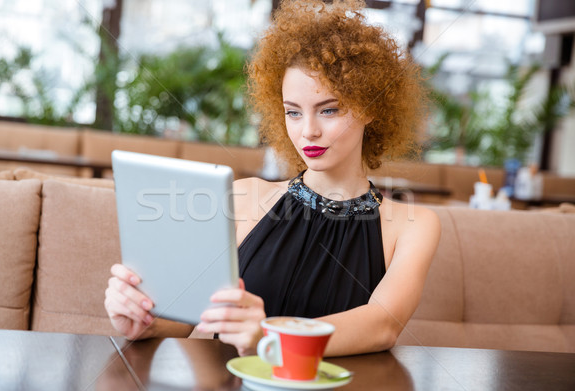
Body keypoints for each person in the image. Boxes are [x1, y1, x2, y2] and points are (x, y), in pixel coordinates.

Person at [104, 0, 440, 357]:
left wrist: (267, 338)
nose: (308, 131)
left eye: (329, 109)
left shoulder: (413, 225)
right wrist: (145, 321)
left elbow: (383, 325)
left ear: (370, 106)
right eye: (293, 113)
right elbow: (193, 314)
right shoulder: (243, 197)